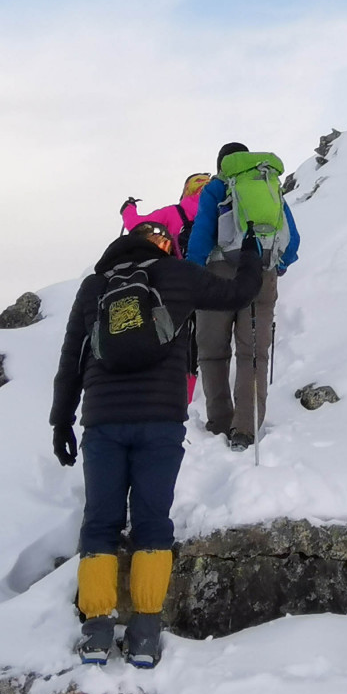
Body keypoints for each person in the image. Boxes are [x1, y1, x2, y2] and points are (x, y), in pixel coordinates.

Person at [51, 221, 258, 669]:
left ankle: (97, 628)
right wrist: (253, 251)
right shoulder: (178, 274)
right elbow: (239, 294)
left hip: (103, 419)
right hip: (161, 418)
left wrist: (60, 422)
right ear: (162, 246)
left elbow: (72, 359)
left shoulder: (94, 286)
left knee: (100, 521)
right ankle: (144, 629)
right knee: (151, 521)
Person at [186, 142, 301, 450]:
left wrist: (192, 274)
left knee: (212, 352)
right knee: (254, 354)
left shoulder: (218, 187)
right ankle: (246, 429)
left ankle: (220, 422)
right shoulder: (268, 183)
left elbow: (201, 233)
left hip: (217, 275)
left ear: (222, 163)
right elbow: (293, 240)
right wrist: (277, 266)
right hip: (261, 274)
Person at [118, 172, 211, 257]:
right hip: (218, 267)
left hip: (181, 268)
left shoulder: (173, 212)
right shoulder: (218, 209)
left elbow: (137, 225)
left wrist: (128, 208)